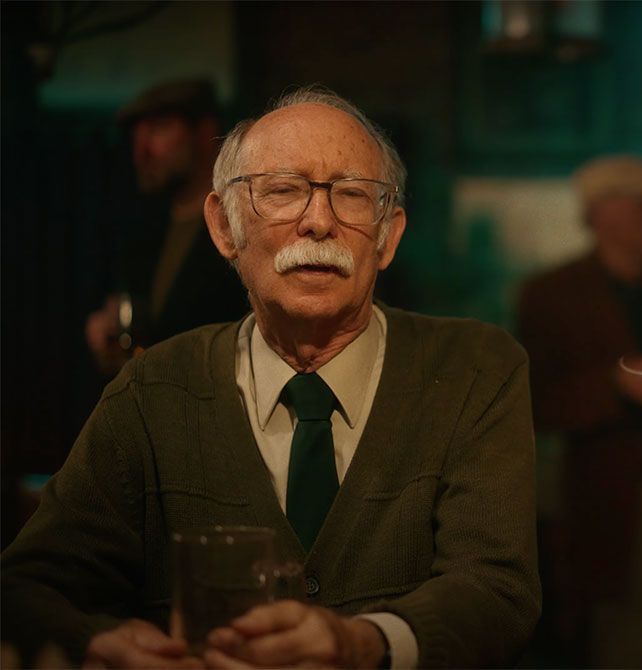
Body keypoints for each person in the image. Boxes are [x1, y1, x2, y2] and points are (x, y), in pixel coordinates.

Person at [2, 87, 540, 669]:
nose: (318, 222)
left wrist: (363, 644)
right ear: (223, 227)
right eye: (283, 191)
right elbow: (29, 585)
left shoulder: (475, 369)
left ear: (388, 236)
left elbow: (496, 588)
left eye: (353, 195)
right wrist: (95, 639)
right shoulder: (153, 389)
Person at [517, 155, 642, 667]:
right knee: (624, 636)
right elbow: (534, 401)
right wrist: (612, 383)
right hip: (623, 494)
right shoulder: (553, 295)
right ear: (603, 214)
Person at [85, 78, 247, 376]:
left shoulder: (242, 226)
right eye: (136, 137)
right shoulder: (144, 230)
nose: (142, 152)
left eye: (158, 130)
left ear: (204, 133)